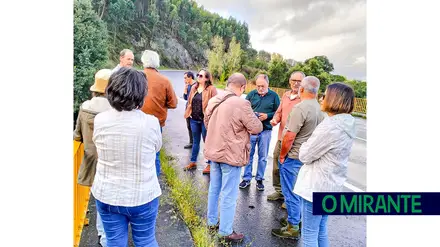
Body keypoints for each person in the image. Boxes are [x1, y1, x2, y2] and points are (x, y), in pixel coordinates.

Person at [92, 67, 162, 247]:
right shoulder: (151, 123)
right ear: (141, 94)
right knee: (145, 241)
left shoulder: (100, 120)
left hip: (107, 194)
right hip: (143, 195)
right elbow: (156, 149)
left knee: (114, 242)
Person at [294, 83, 356, 247]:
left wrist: (305, 144)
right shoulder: (347, 124)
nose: (321, 98)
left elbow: (305, 155)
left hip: (316, 187)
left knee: (308, 235)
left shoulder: (330, 126)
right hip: (331, 185)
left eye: (325, 95)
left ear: (334, 100)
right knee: (321, 230)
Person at [204, 73, 263, 242]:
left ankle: (212, 221)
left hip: (214, 152)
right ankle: (225, 231)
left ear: (229, 84)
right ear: (243, 87)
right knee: (229, 194)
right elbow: (256, 127)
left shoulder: (215, 99)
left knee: (214, 189)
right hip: (231, 154)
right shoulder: (242, 103)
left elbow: (208, 123)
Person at [271, 76, 326, 239]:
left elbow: (289, 136)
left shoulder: (300, 108)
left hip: (293, 156)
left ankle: (293, 226)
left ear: (302, 89)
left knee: (290, 192)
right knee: (299, 190)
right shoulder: (318, 109)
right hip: (306, 157)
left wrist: (282, 155)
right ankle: (296, 219)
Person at [74, 69, 112, 247]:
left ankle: (101, 234)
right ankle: (108, 234)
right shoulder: (115, 110)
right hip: (110, 160)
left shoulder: (84, 108)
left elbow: (77, 136)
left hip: (90, 159)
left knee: (98, 197)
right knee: (108, 198)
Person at [267, 71, 305, 202]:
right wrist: (275, 120)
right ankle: (279, 192)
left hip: (295, 141)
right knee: (277, 165)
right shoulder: (286, 95)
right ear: (289, 81)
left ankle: (290, 199)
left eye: (299, 81)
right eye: (293, 80)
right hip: (280, 138)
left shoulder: (304, 99)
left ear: (303, 83)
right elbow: (279, 112)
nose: (295, 83)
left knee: (291, 169)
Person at [140, 50, 178, 177]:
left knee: (137, 152)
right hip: (156, 124)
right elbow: (173, 103)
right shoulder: (164, 81)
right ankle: (154, 182)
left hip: (136, 120)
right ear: (157, 62)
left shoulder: (136, 77)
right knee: (154, 153)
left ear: (143, 61)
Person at [239, 74, 280, 191]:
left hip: (265, 131)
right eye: (258, 86)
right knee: (249, 155)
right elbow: (244, 109)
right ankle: (246, 178)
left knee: (263, 157)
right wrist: (253, 115)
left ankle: (259, 179)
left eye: (262, 86)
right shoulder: (251, 94)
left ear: (268, 84)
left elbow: (278, 112)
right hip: (251, 131)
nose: (260, 88)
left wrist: (268, 115)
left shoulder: (274, 96)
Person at [183, 68, 218, 174]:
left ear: (207, 78)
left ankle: (209, 163)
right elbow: (189, 101)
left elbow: (216, 105)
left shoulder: (211, 89)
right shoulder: (194, 87)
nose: (198, 77)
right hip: (194, 119)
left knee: (207, 142)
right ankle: (193, 162)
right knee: (195, 142)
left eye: (201, 76)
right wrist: (188, 113)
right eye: (198, 75)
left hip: (205, 121)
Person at [183, 71, 196, 149]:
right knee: (189, 126)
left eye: (185, 78)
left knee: (194, 126)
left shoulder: (196, 86)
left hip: (194, 109)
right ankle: (191, 142)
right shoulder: (187, 86)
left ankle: (195, 142)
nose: (184, 80)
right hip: (188, 108)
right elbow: (185, 98)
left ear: (190, 77)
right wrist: (185, 90)